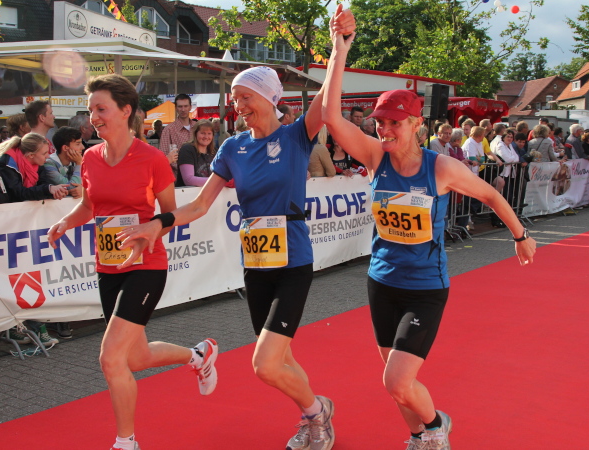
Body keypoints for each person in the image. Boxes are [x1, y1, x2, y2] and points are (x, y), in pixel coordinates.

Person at [116, 10, 355, 450]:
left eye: (245, 96)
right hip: (256, 264)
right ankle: (314, 415)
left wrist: (339, 49)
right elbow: (201, 204)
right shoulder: (232, 146)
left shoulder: (296, 135)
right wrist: (158, 224)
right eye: (235, 98)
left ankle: (318, 414)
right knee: (281, 357)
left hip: (293, 263)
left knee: (264, 364)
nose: (238, 105)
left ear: (269, 97)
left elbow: (327, 98)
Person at [321, 20, 536, 450]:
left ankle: (437, 427)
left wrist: (519, 236)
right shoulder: (374, 157)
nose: (384, 130)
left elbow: (492, 195)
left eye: (394, 123)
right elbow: (330, 116)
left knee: (396, 380)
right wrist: (338, 50)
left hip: (425, 288)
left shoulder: (441, 168)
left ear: (416, 124)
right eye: (380, 123)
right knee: (396, 382)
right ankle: (419, 435)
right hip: (382, 282)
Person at [46, 74, 218, 450]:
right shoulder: (91, 158)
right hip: (108, 267)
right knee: (136, 357)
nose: (94, 117)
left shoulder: (152, 159)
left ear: (126, 111)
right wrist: (65, 222)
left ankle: (126, 442)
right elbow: (89, 206)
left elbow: (171, 215)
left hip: (146, 266)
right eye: (91, 110)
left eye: (101, 109)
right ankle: (198, 355)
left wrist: (148, 232)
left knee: (111, 358)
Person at [0, 133, 67, 202]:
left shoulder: (38, 163)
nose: (48, 156)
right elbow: (17, 193)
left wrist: (54, 192)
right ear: (31, 155)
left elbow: (43, 185)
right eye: (44, 153)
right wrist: (48, 189)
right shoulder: (8, 163)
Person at [159, 93, 194, 176]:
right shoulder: (169, 130)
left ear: (190, 107)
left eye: (185, 106)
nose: (183, 109)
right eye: (180, 106)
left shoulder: (197, 127)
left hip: (198, 173)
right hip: (177, 175)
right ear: (176, 108)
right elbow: (163, 156)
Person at [45, 126, 83, 200]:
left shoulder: (76, 161)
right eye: (78, 144)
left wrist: (83, 189)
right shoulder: (48, 163)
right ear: (65, 148)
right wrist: (79, 164)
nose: (82, 147)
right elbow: (71, 187)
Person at [176, 120, 216, 187]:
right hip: (188, 192)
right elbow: (188, 180)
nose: (206, 137)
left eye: (209, 133)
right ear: (195, 134)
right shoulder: (187, 149)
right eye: (203, 133)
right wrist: (217, 181)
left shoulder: (214, 152)